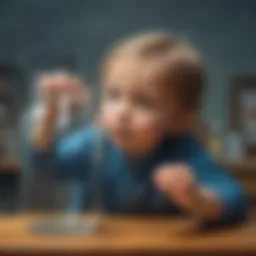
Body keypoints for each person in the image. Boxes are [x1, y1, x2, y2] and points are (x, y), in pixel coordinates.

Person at [30, 32, 249, 225]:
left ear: (181, 119)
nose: (122, 113)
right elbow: (45, 163)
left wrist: (198, 198)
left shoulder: (183, 152)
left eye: (144, 102)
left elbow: (235, 200)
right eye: (113, 95)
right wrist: (49, 116)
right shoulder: (95, 142)